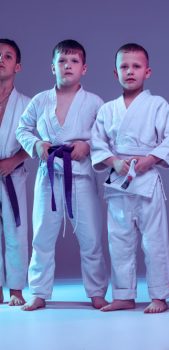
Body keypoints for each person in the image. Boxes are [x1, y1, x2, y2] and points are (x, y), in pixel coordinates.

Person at [16, 39, 108, 311]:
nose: (67, 66)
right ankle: (39, 292)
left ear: (84, 68)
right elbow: (23, 129)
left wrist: (87, 145)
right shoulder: (40, 100)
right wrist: (37, 145)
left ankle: (97, 292)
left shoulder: (94, 102)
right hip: (48, 176)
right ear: (52, 67)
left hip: (80, 176)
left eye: (74, 61)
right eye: (62, 61)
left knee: (91, 237)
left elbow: (105, 136)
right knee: (42, 236)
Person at [91, 43, 169, 313]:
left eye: (136, 66)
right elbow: (97, 143)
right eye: (124, 67)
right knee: (119, 240)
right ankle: (124, 295)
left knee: (155, 241)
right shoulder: (107, 109)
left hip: (147, 178)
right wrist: (115, 162)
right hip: (119, 180)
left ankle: (159, 295)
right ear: (115, 73)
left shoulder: (157, 104)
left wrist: (149, 160)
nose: (130, 71)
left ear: (147, 72)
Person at [0, 39, 30, 306]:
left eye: (7, 56)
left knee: (15, 230)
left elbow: (39, 141)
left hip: (12, 173)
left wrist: (15, 159)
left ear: (17, 66)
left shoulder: (27, 104)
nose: (1, 59)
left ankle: (16, 289)